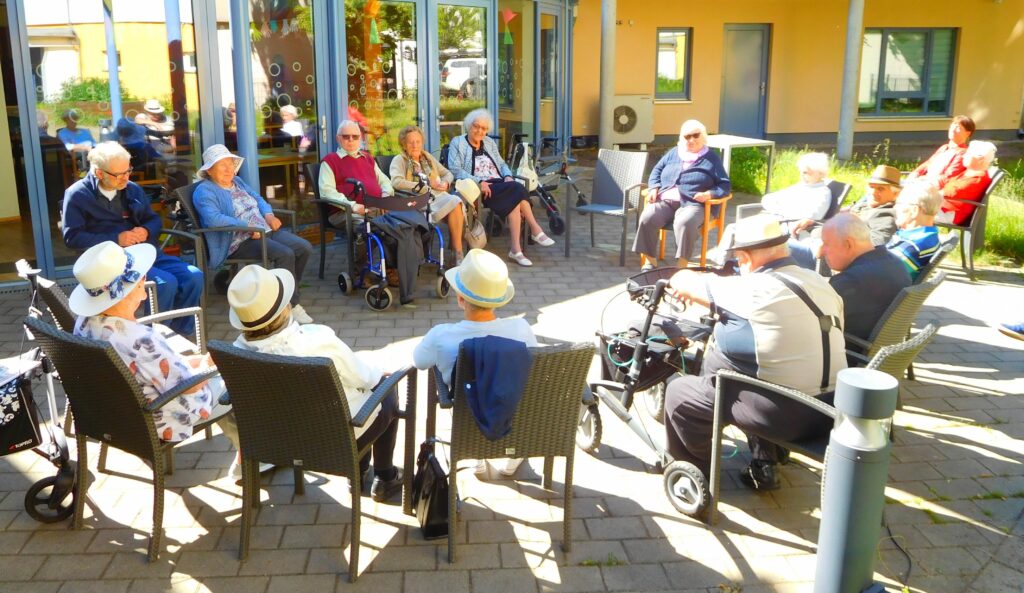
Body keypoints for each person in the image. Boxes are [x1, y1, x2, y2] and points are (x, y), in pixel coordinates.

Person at [664, 214, 846, 491]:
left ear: (745, 258)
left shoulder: (751, 288)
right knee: (762, 368)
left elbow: (681, 278)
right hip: (833, 409)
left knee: (681, 393)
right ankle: (765, 463)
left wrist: (702, 279)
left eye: (738, 260)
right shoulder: (820, 282)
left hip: (786, 417)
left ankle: (694, 476)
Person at [228, 264, 404, 502]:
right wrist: (378, 375)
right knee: (386, 387)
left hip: (278, 444)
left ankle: (359, 473)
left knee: (369, 392)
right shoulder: (317, 339)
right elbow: (364, 377)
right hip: (335, 441)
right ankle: (384, 477)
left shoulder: (235, 354)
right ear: (286, 308)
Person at [69, 241, 238, 456]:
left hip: (114, 413)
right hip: (158, 419)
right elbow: (190, 387)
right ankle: (252, 458)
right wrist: (208, 364)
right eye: (139, 277)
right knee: (235, 381)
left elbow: (152, 368)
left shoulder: (84, 323)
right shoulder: (141, 340)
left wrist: (188, 363)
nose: (144, 279)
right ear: (127, 290)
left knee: (202, 365)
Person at [413, 249, 538, 476]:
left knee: (467, 387)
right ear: (498, 300)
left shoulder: (442, 336)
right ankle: (513, 455)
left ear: (461, 299)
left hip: (468, 416)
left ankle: (475, 453)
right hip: (514, 413)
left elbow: (419, 361)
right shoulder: (521, 329)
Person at [62, 142, 203, 336]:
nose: (125, 178)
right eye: (119, 174)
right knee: (165, 283)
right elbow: (72, 237)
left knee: (193, 276)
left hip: (145, 251)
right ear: (99, 173)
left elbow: (153, 220)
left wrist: (145, 230)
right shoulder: (78, 194)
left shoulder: (132, 189)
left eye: (128, 171)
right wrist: (116, 239)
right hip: (113, 263)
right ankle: (153, 337)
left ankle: (179, 333)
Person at [193, 143, 315, 324]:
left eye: (230, 164)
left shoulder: (237, 182)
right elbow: (213, 219)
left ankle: (288, 292)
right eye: (222, 165)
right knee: (285, 254)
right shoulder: (204, 191)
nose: (229, 169)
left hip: (262, 229)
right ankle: (289, 305)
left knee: (304, 248)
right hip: (237, 241)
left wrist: (269, 214)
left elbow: (258, 198)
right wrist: (245, 226)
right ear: (209, 170)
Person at [447, 108, 554, 267]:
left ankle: (516, 250)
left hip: (500, 183)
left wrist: (508, 176)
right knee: (517, 191)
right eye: (476, 126)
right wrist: (479, 181)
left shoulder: (489, 143)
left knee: (515, 194)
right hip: (479, 187)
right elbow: (455, 169)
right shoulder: (458, 142)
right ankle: (533, 232)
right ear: (469, 126)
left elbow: (502, 164)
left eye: (484, 128)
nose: (480, 131)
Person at [633, 120, 731, 271]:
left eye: (695, 135)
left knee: (684, 222)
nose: (691, 140)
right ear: (681, 138)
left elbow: (724, 184)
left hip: (694, 204)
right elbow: (656, 171)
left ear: (703, 136)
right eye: (687, 136)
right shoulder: (674, 153)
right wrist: (653, 187)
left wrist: (709, 193)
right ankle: (650, 262)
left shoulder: (711, 158)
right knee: (647, 217)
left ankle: (681, 267)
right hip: (666, 201)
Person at [819, 213, 911, 363]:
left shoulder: (851, 281)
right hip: (875, 354)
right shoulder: (895, 263)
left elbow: (818, 324)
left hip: (846, 359)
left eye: (826, 244)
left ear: (848, 244)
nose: (821, 251)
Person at [391, 125, 466, 263]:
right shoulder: (399, 160)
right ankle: (457, 255)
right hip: (416, 201)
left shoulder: (427, 157)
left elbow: (447, 173)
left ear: (422, 142)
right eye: (410, 142)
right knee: (455, 203)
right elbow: (396, 182)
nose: (415, 145)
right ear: (404, 144)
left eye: (418, 141)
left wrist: (446, 183)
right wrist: (423, 186)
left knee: (455, 202)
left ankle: (457, 253)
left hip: (437, 197)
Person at [318, 119, 395, 226]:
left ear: (360, 138)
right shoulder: (330, 161)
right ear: (338, 139)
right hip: (346, 212)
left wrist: (385, 196)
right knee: (369, 229)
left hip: (376, 209)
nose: (351, 139)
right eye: (346, 136)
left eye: (355, 136)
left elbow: (384, 181)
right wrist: (352, 206)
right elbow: (326, 192)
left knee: (404, 224)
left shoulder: (368, 158)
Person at [887, 181, 942, 281]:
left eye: (899, 204)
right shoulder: (929, 235)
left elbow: (881, 273)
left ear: (914, 211)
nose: (895, 208)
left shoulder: (913, 246)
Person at [905, 115, 974, 189]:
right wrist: (915, 173)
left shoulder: (963, 153)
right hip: (924, 183)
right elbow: (928, 163)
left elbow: (948, 177)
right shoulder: (944, 148)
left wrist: (923, 180)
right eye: (952, 126)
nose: (953, 129)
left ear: (968, 133)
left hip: (934, 190)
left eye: (958, 127)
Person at [938, 140, 997, 226]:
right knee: (914, 203)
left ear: (980, 160)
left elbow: (954, 192)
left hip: (950, 214)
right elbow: (950, 183)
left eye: (968, 154)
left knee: (914, 208)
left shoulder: (978, 177)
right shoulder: (970, 172)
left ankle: (927, 238)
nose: (964, 156)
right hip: (942, 207)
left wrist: (935, 192)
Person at [850, 165, 903, 246]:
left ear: (895, 194)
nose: (873, 192)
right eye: (871, 187)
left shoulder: (885, 215)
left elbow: (877, 246)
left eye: (881, 189)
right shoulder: (869, 205)